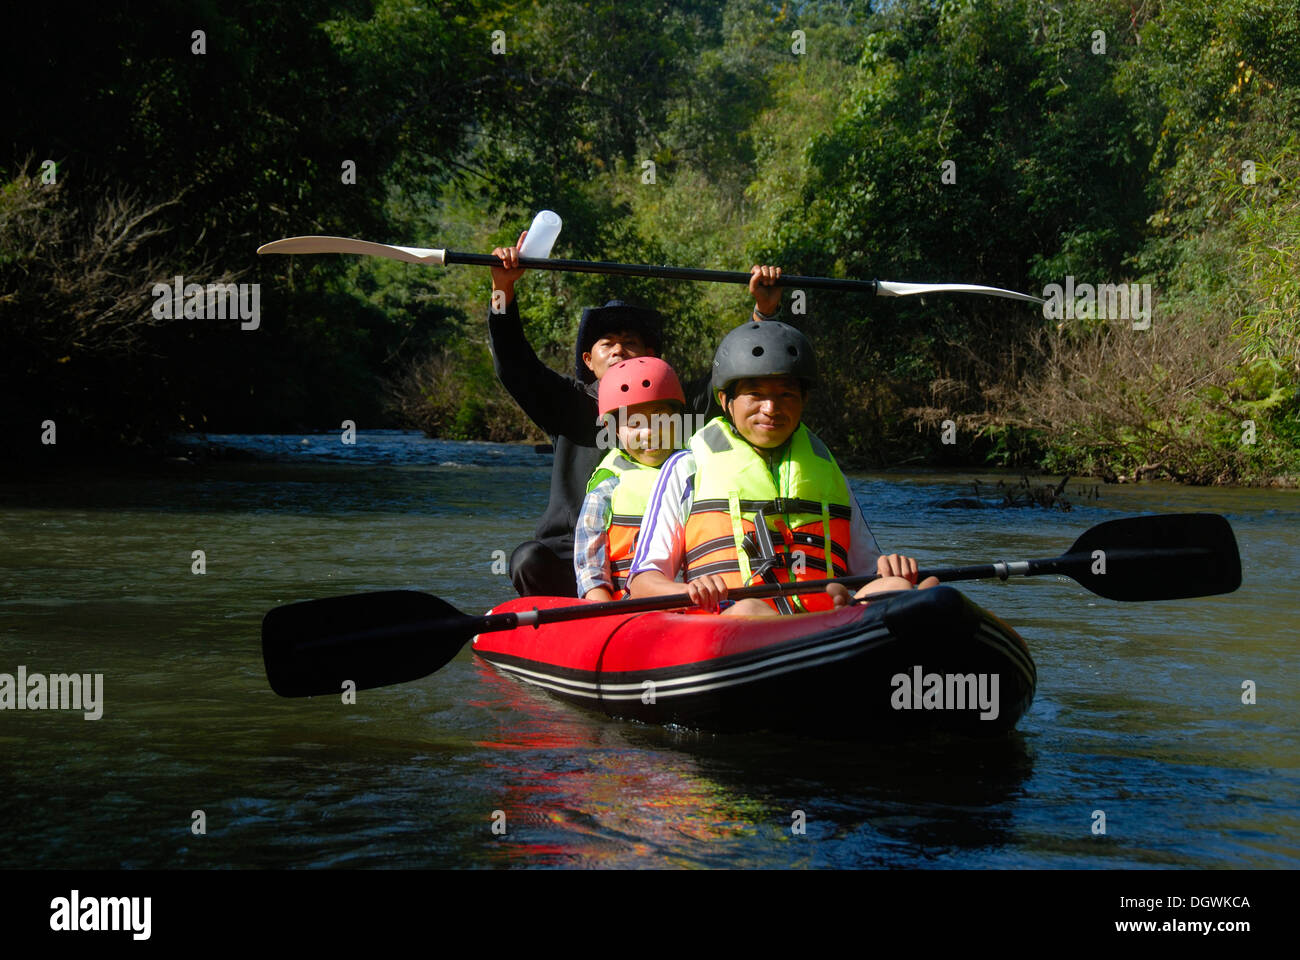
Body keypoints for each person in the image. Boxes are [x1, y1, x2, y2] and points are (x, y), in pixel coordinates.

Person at [488, 226, 785, 597]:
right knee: (527, 559)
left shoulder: (680, 408)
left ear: (651, 358)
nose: (618, 350)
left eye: (630, 344)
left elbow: (735, 377)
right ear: (587, 360)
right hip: (575, 557)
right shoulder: (569, 403)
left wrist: (765, 314)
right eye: (606, 344)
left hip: (662, 557)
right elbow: (514, 364)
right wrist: (503, 290)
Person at [627, 319, 939, 614]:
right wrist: (691, 591)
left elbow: (869, 571)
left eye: (786, 394)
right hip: (733, 621)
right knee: (752, 608)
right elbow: (643, 581)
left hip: (826, 620)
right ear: (725, 400)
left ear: (804, 399)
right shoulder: (687, 466)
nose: (771, 408)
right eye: (755, 394)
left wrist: (891, 568)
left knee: (896, 586)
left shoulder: (825, 467)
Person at [574, 357, 687, 601]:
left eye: (660, 418)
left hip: (692, 602)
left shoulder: (697, 469)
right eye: (634, 422)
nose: (649, 432)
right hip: (624, 607)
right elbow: (590, 566)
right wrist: (603, 611)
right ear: (614, 429)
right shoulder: (608, 482)